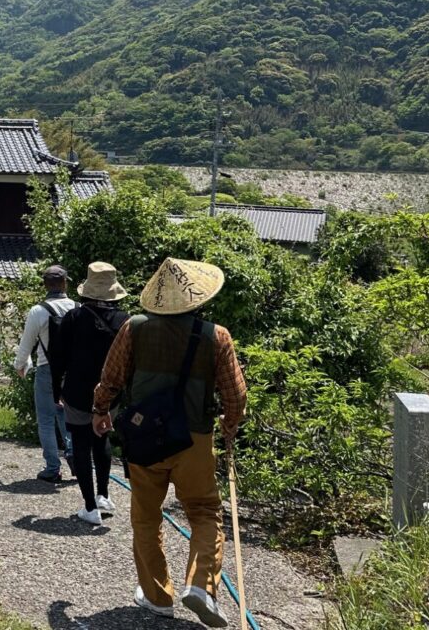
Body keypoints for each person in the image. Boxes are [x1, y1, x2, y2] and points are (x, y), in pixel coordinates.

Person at [92, 258, 247, 627]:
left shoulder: (134, 328)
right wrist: (230, 423)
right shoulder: (216, 336)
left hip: (144, 439)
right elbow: (235, 396)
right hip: (193, 439)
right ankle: (201, 584)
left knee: (145, 516)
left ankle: (158, 596)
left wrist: (101, 410)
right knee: (205, 512)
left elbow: (110, 378)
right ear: (198, 298)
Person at [50, 262, 131, 526]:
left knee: (82, 443)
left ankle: (89, 507)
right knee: (101, 436)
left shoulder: (74, 317)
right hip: (111, 392)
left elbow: (57, 358)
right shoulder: (125, 321)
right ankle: (104, 495)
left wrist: (55, 389)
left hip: (77, 390)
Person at [15, 265, 77, 482]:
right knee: (69, 415)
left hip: (46, 369)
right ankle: (74, 456)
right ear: (65, 283)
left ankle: (52, 468)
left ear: (45, 285)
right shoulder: (77, 307)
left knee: (46, 419)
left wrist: (19, 366)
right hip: (73, 372)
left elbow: (26, 345)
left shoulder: (39, 311)